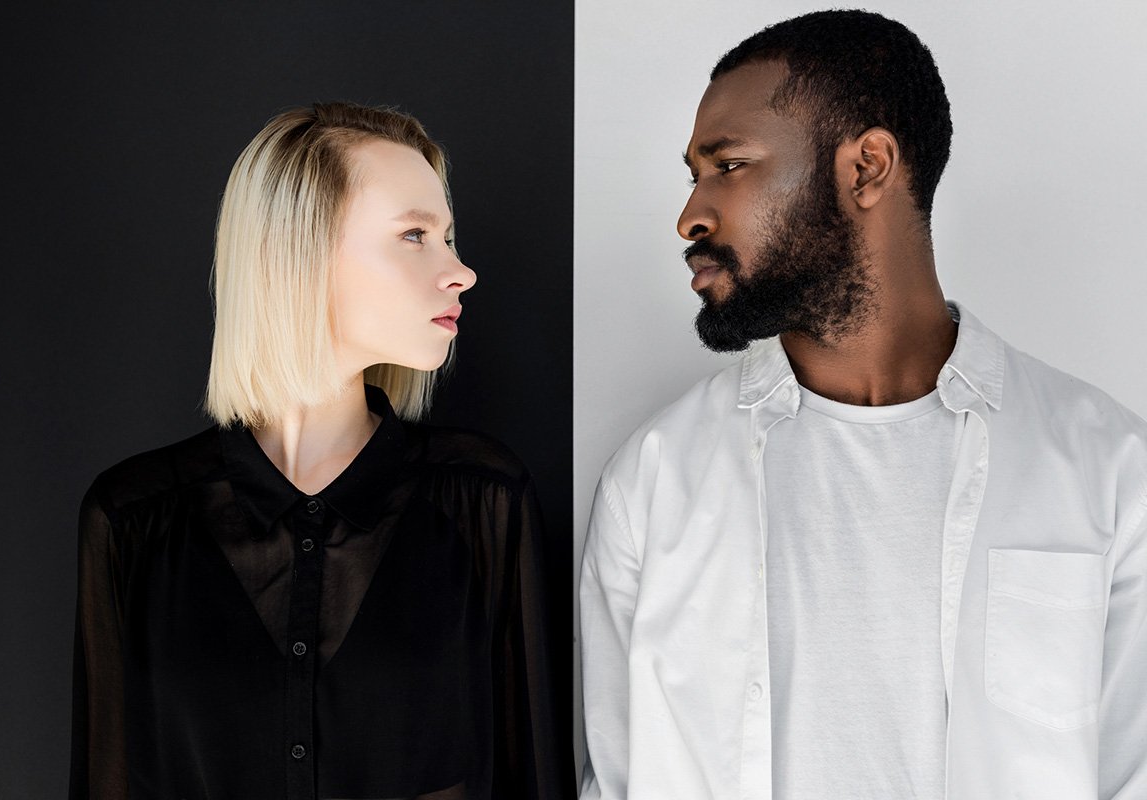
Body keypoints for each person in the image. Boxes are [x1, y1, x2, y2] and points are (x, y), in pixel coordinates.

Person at [579, 10, 1147, 800]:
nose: (691, 217)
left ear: (867, 166)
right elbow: (615, 781)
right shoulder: (656, 483)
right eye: (693, 175)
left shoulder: (1112, 473)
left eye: (729, 165)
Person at [71, 102, 571, 800]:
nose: (462, 272)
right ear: (295, 252)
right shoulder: (134, 521)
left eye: (448, 237)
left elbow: (531, 777)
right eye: (415, 235)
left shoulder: (481, 498)